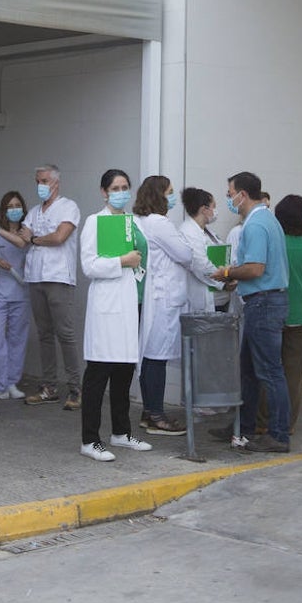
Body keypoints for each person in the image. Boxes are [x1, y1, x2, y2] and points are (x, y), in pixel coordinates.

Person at [211, 172, 291, 453]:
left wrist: (227, 272)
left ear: (242, 195)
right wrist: (236, 280)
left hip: (264, 304)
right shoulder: (268, 219)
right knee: (249, 371)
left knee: (269, 372)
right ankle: (241, 428)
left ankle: (279, 435)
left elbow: (256, 268)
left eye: (229, 192)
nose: (228, 198)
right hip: (264, 300)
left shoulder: (256, 224)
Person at [78, 170, 152, 461]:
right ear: (104, 192)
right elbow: (89, 265)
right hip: (107, 306)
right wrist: (122, 261)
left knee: (124, 371)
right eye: (115, 188)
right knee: (99, 372)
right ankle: (89, 439)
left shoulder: (133, 221)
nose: (121, 192)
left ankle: (121, 432)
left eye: (125, 187)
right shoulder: (95, 222)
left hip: (131, 303)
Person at [135, 175, 197, 436]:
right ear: (158, 195)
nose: (173, 197)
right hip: (163, 299)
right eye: (169, 192)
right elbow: (185, 254)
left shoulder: (141, 221)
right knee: (156, 358)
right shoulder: (160, 223)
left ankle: (150, 411)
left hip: (156, 298)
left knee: (149, 357)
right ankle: (157, 416)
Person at [21, 164, 83, 410]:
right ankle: (49, 387)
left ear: (56, 182)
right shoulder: (35, 211)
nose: (40, 186)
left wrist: (36, 238)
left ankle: (75, 388)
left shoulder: (69, 207)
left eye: (44, 181)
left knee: (65, 334)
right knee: (44, 334)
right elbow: (23, 233)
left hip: (58, 277)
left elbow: (60, 237)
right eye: (38, 181)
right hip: (35, 277)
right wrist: (33, 236)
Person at [258, 195, 302, 436]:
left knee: (267, 370)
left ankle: (263, 420)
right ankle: (288, 423)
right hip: (301, 314)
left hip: (273, 312)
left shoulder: (275, 242)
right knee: (293, 375)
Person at [0, 191, 31, 401]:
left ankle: (12, 382)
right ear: (3, 210)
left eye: (17, 205)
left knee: (17, 339)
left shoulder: (27, 231)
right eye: (10, 206)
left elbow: (22, 243)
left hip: (21, 293)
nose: (14, 209)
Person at [178, 188, 229, 314]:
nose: (215, 211)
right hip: (203, 298)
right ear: (204, 209)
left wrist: (229, 274)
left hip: (219, 298)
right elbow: (200, 264)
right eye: (214, 207)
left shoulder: (207, 232)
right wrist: (224, 282)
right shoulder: (188, 231)